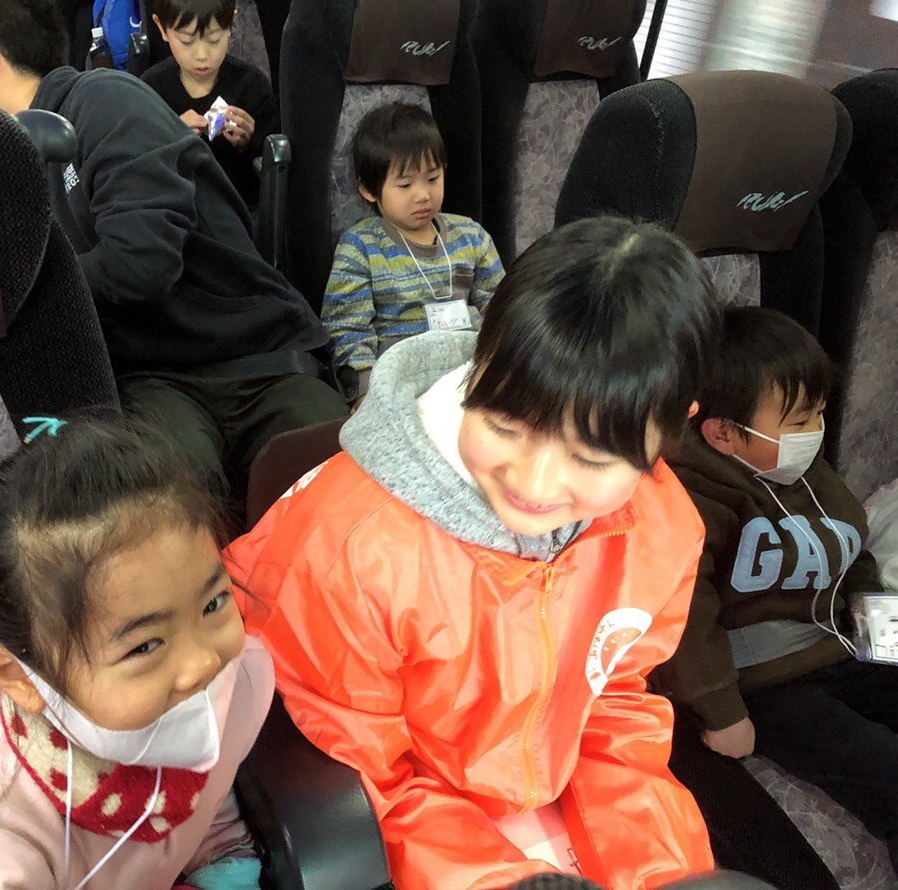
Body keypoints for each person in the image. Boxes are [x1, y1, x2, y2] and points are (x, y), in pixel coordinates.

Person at [225, 217, 719, 889]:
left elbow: (611, 701)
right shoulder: (348, 552)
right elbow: (371, 773)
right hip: (415, 820)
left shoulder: (660, 524)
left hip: (543, 795)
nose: (535, 484)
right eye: (506, 426)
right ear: (477, 367)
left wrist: (661, 874)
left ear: (669, 428)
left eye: (591, 458)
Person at [0, 0, 346, 505]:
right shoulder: (7, 162)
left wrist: (10, 290)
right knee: (167, 503)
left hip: (254, 357)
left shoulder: (101, 99)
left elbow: (141, 262)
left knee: (334, 490)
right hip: (152, 378)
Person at [0, 418, 273, 889]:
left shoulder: (238, 677)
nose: (203, 665)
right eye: (144, 645)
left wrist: (228, 868)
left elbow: (211, 795)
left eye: (212, 603)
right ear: (20, 677)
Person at [655, 306, 898, 876]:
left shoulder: (806, 475)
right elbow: (685, 615)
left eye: (819, 413)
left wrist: (883, 627)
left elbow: (853, 553)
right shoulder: (693, 498)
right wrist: (721, 713)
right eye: (799, 420)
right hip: (771, 686)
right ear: (722, 433)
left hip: (841, 648)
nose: (815, 432)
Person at [323, 102, 503, 403]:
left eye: (433, 179)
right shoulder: (360, 247)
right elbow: (347, 329)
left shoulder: (471, 236)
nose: (423, 195)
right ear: (369, 190)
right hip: (400, 384)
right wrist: (366, 392)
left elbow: (500, 309)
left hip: (472, 373)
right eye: (405, 185)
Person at [141, 0, 278, 210]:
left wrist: (249, 142)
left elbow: (274, 169)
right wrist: (170, 140)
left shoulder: (251, 86)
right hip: (173, 209)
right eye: (187, 41)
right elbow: (139, 165)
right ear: (162, 28)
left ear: (230, 25)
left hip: (239, 209)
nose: (202, 55)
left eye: (214, 39)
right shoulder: (151, 89)